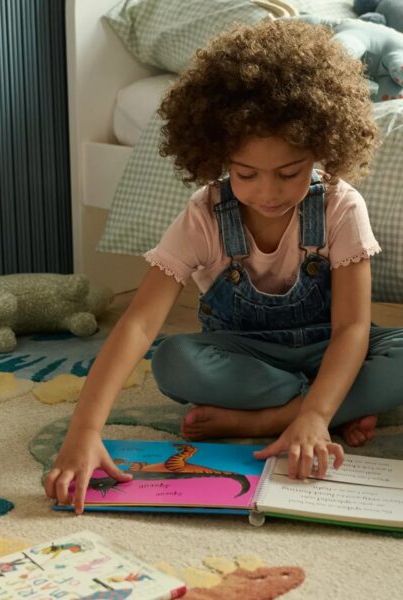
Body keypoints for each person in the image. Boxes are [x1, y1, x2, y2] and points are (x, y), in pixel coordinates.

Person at [44, 18, 403, 514]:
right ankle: (331, 408)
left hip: (330, 346)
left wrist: (315, 414)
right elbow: (141, 322)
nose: (269, 192)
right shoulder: (206, 213)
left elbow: (352, 328)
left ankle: (267, 420)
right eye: (247, 173)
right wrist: (84, 431)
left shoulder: (342, 205)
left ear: (322, 149)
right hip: (248, 358)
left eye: (290, 173)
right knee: (173, 361)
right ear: (218, 156)